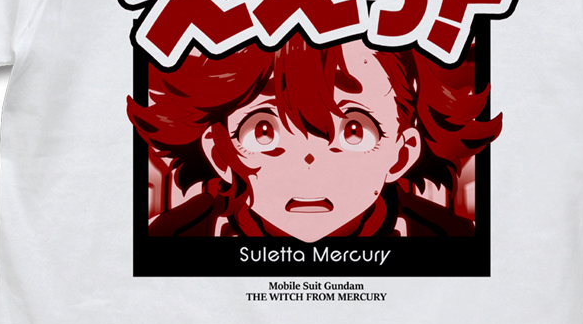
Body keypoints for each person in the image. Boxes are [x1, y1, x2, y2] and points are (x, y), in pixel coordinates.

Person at [127, 35, 500, 239]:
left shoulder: (448, 238)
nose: (310, 166)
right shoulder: (174, 238)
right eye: (264, 131)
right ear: (221, 154)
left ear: (401, 154)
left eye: (353, 131)